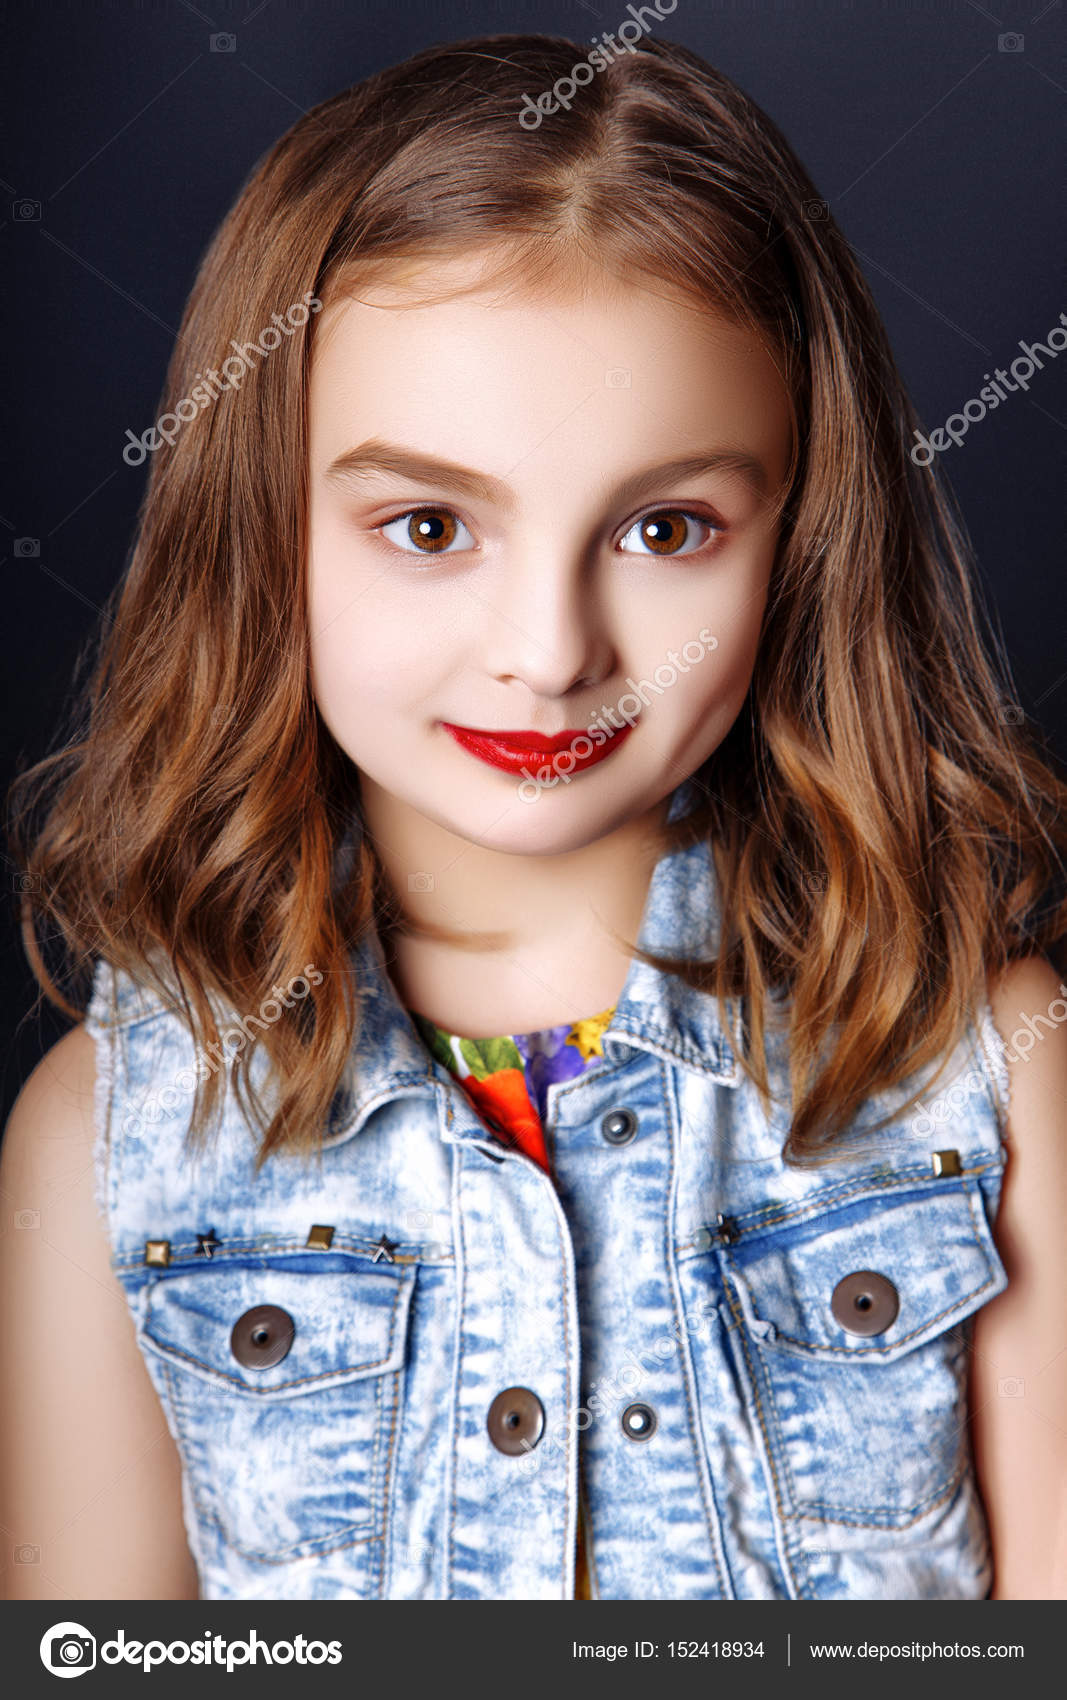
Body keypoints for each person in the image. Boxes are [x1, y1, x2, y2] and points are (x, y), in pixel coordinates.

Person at [2, 31, 1066, 1603]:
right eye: (429, 526)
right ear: (261, 527)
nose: (554, 651)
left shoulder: (986, 1066)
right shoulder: (114, 1131)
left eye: (666, 526)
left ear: (804, 541)